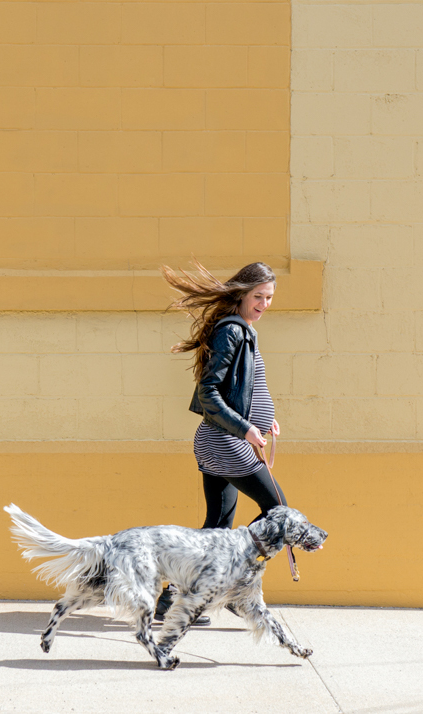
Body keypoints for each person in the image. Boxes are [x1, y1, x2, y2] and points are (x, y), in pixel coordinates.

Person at [156, 260, 286, 622]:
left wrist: (265, 417)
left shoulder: (241, 329)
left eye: (269, 297)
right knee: (279, 514)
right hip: (226, 442)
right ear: (241, 294)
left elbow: (245, 387)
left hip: (222, 441)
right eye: (258, 296)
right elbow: (210, 393)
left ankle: (174, 598)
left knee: (217, 527)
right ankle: (233, 588)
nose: (264, 303)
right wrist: (246, 428)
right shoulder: (231, 331)